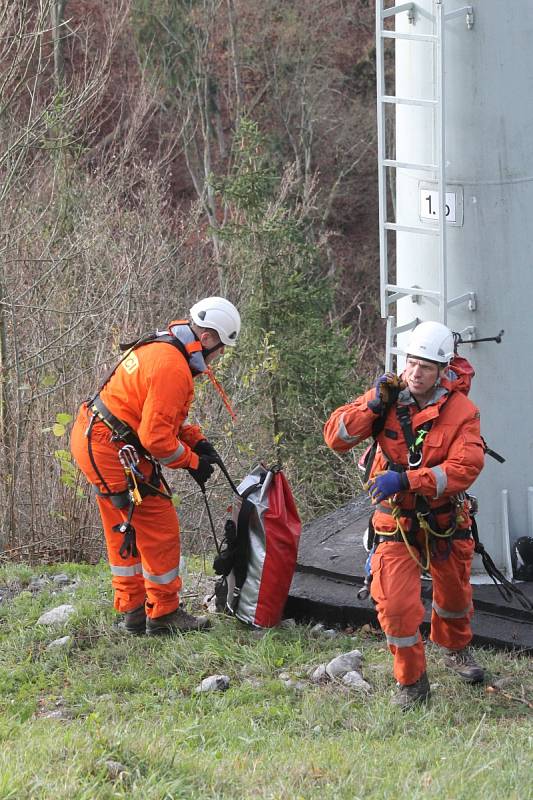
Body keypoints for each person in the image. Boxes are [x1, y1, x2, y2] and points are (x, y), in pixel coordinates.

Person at [324, 321, 485, 709]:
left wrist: (410, 480)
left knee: (453, 597)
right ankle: (412, 683)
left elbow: (466, 466)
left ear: (443, 370)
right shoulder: (386, 399)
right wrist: (372, 405)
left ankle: (454, 646)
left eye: (426, 367)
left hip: (444, 518)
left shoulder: (462, 412)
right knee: (395, 606)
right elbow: (336, 438)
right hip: (395, 520)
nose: (415, 373)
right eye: (411, 363)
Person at [71, 297, 241, 636]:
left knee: (125, 526)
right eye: (219, 348)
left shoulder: (162, 346)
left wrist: (196, 440)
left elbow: (155, 414)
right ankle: (163, 613)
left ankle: (133, 610)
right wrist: (192, 462)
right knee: (159, 526)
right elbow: (156, 439)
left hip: (96, 439)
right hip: (112, 448)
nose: (217, 356)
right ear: (207, 338)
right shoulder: (173, 366)